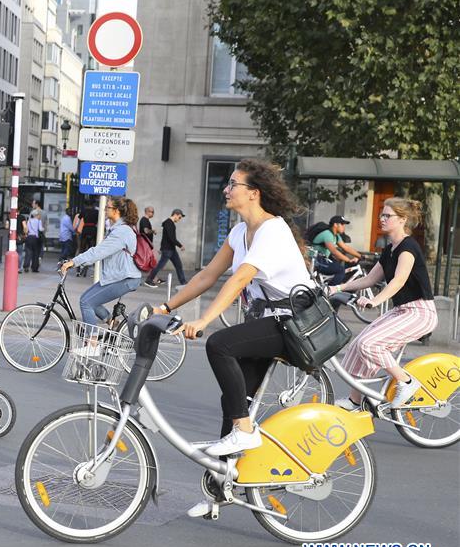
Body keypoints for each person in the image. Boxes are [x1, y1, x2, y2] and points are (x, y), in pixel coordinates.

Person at [151, 160, 311, 516]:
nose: (227, 188)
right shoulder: (240, 233)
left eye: (233, 184)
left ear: (253, 194)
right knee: (233, 400)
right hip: (271, 321)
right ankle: (220, 491)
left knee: (219, 344)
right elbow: (208, 276)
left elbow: (240, 279)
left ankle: (244, 429)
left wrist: (205, 320)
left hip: (293, 324)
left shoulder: (272, 230)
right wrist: (163, 306)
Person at [331, 198, 438, 410]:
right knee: (359, 343)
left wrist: (374, 300)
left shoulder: (408, 247)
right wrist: (337, 288)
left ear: (402, 220)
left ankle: (407, 382)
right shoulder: (390, 249)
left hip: (420, 313)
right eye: (382, 214)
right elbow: (369, 279)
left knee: (370, 344)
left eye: (387, 216)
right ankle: (354, 400)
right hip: (402, 311)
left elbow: (399, 280)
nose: (382, 219)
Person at [60, 197, 142, 353]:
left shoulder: (121, 232)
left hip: (125, 278)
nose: (105, 210)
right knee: (87, 299)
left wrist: (74, 262)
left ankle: (92, 345)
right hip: (118, 276)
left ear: (116, 211)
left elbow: (98, 252)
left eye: (108, 208)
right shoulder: (120, 229)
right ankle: (113, 322)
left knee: (87, 303)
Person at [310, 215, 362, 285]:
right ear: (335, 225)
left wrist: (360, 256)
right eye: (342, 224)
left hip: (323, 259)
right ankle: (329, 291)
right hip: (316, 260)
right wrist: (349, 260)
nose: (344, 227)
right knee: (340, 270)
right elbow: (334, 251)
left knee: (344, 268)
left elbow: (346, 248)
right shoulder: (327, 234)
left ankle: (341, 288)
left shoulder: (336, 236)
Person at [144, 208, 187, 287]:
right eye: (179, 217)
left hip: (171, 249)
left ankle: (183, 282)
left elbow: (165, 238)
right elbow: (171, 238)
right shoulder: (169, 223)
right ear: (175, 215)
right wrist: (180, 245)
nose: (179, 219)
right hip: (168, 250)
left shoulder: (169, 223)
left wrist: (161, 248)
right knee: (160, 265)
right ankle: (149, 280)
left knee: (178, 265)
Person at [75, 201, 99, 276]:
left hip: (85, 230)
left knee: (81, 249)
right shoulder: (96, 211)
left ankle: (78, 269)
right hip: (93, 230)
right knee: (92, 250)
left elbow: (78, 221)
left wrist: (77, 229)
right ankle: (91, 269)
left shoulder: (83, 211)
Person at [23, 208, 43, 273]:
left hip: (29, 237)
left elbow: (27, 229)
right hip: (35, 238)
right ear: (36, 215)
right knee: (36, 253)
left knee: (28, 252)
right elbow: (40, 229)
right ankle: (34, 267)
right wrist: (44, 228)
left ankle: (26, 266)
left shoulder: (29, 221)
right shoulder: (38, 221)